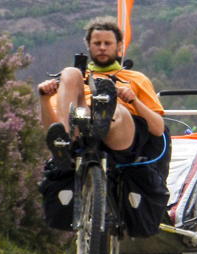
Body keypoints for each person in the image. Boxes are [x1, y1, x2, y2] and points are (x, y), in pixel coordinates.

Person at [38, 18, 167, 172]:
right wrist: (44, 98)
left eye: (107, 43)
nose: (102, 48)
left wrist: (134, 101)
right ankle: (65, 140)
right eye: (97, 43)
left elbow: (159, 129)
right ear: (89, 46)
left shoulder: (136, 79)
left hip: (120, 133)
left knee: (115, 107)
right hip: (81, 123)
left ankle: (103, 113)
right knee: (70, 72)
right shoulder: (70, 81)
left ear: (119, 46)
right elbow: (51, 126)